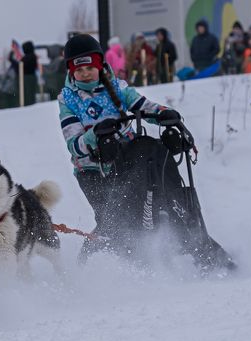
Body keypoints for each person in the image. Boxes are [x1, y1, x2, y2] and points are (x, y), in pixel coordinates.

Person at [57, 34, 174, 257]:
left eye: (89, 68)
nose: (85, 74)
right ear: (72, 71)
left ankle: (148, 253)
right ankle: (98, 261)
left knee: (136, 212)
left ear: (100, 64)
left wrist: (162, 114)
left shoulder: (117, 88)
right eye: (79, 70)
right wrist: (94, 136)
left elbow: (142, 105)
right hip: (91, 171)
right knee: (111, 220)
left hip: (126, 161)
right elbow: (74, 145)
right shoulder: (68, 100)